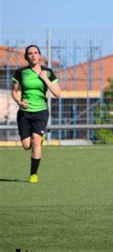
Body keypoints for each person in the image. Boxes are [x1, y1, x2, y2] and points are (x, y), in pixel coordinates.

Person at [11, 45, 61, 183]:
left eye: (36, 53)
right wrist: (19, 102)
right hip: (24, 114)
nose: (33, 55)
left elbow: (57, 93)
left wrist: (45, 78)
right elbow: (14, 92)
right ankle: (36, 140)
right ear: (26, 57)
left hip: (41, 112)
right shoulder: (20, 72)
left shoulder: (48, 72)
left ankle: (33, 174)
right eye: (30, 53)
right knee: (26, 145)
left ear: (39, 55)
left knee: (36, 141)